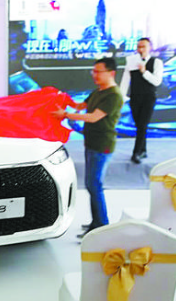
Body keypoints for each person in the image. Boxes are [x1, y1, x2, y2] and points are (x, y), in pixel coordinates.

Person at [53, 58, 123, 237]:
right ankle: (97, 222)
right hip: (91, 143)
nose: (94, 75)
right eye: (94, 71)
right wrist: (60, 99)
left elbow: (93, 117)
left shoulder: (114, 95)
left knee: (94, 185)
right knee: (92, 185)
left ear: (111, 73)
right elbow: (80, 106)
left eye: (99, 71)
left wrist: (66, 114)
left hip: (102, 145)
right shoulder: (98, 92)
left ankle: (101, 225)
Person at [119, 37, 164, 164]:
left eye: (143, 46)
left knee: (143, 125)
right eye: (139, 47)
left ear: (150, 48)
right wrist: (121, 97)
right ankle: (143, 150)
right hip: (135, 97)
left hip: (148, 98)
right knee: (139, 125)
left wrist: (144, 72)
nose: (141, 49)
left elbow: (157, 81)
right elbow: (125, 80)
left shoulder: (156, 62)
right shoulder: (131, 61)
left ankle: (136, 153)